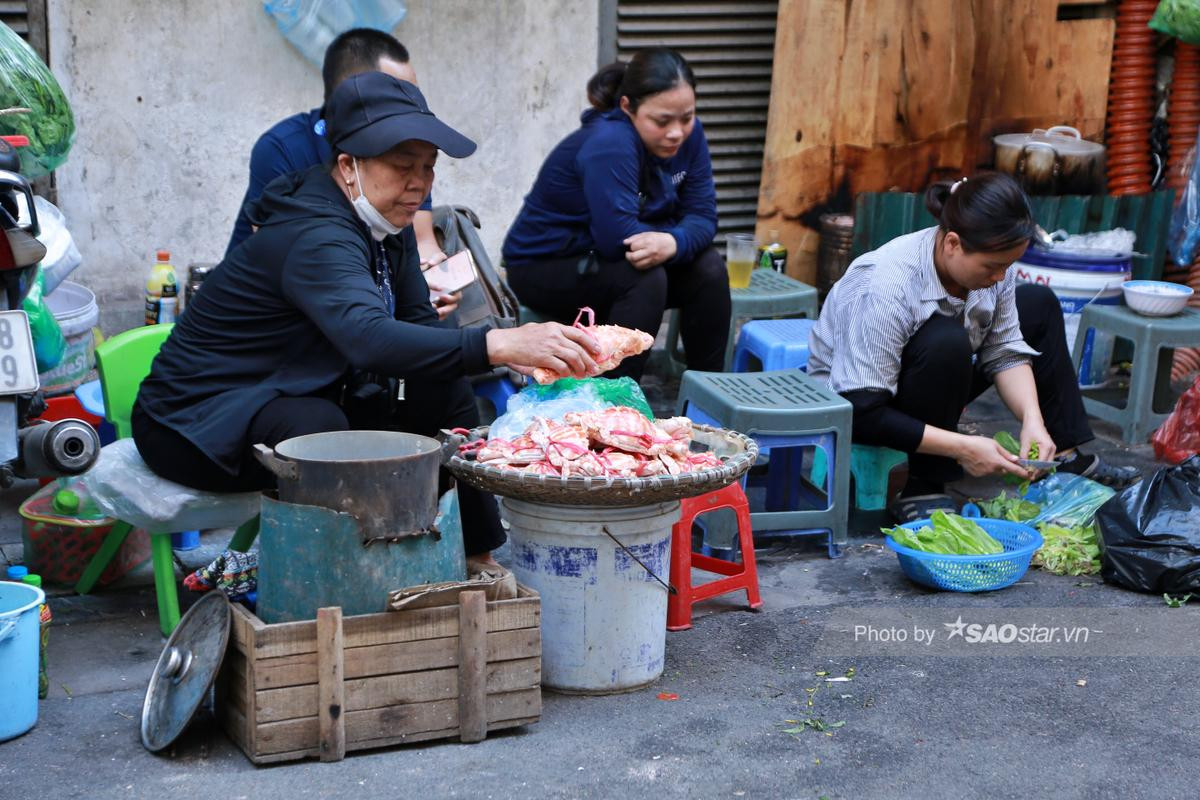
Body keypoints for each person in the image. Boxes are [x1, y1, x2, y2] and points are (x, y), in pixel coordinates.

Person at [133, 72, 600, 560]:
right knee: (320, 428)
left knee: (441, 384)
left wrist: (503, 355)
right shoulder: (317, 233)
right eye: (403, 166)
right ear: (348, 166)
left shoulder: (384, 223)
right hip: (193, 425)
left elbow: (420, 327)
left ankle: (477, 557)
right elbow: (368, 339)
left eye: (428, 167)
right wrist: (499, 342)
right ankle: (350, 575)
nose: (419, 183)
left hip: (292, 389)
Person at [807, 172, 1139, 521]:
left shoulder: (994, 266)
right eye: (993, 267)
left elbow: (1005, 350)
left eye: (1007, 266)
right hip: (857, 406)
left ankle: (1063, 454)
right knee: (947, 341)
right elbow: (862, 410)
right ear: (952, 244)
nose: (1000, 276)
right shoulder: (886, 286)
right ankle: (924, 483)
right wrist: (964, 448)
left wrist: (1032, 419)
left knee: (1038, 304)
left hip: (931, 377)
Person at [501, 47, 730, 381]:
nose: (677, 132)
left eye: (687, 117)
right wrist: (675, 234)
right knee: (644, 277)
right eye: (661, 121)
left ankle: (710, 390)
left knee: (708, 267)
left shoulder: (689, 138)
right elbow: (617, 240)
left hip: (602, 262)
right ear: (628, 108)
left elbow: (704, 217)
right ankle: (615, 400)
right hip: (544, 266)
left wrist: (673, 241)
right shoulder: (610, 143)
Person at [225, 28, 460, 319]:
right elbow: (290, 268)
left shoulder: (410, 165)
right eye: (397, 93)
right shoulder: (283, 148)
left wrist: (434, 281)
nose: (412, 105)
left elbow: (421, 240)